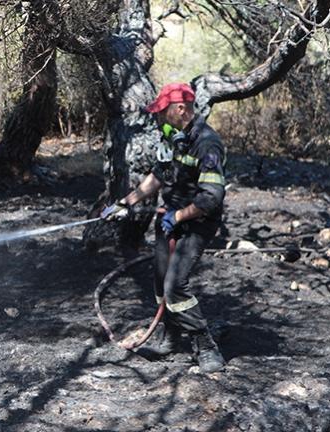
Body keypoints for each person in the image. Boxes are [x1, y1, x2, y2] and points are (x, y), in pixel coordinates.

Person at [101, 82, 226, 373]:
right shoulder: (173, 138)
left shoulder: (207, 143)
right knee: (159, 282)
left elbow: (211, 198)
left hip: (197, 223)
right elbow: (157, 176)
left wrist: (179, 216)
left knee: (175, 286)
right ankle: (170, 335)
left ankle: (206, 347)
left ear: (181, 109)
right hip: (169, 218)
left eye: (161, 112)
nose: (157, 119)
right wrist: (125, 203)